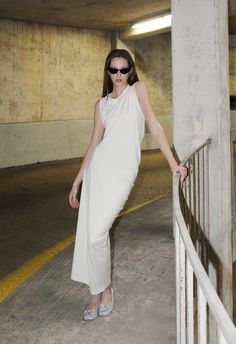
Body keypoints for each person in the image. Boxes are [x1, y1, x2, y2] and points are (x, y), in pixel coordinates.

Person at [69, 49, 187, 321]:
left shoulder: (138, 91)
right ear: (107, 72)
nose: (119, 75)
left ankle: (104, 288)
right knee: (92, 235)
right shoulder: (101, 105)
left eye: (124, 70)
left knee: (97, 234)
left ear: (131, 71)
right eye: (114, 70)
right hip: (98, 170)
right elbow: (94, 143)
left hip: (122, 172)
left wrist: (174, 165)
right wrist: (78, 180)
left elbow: (154, 125)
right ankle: (98, 292)